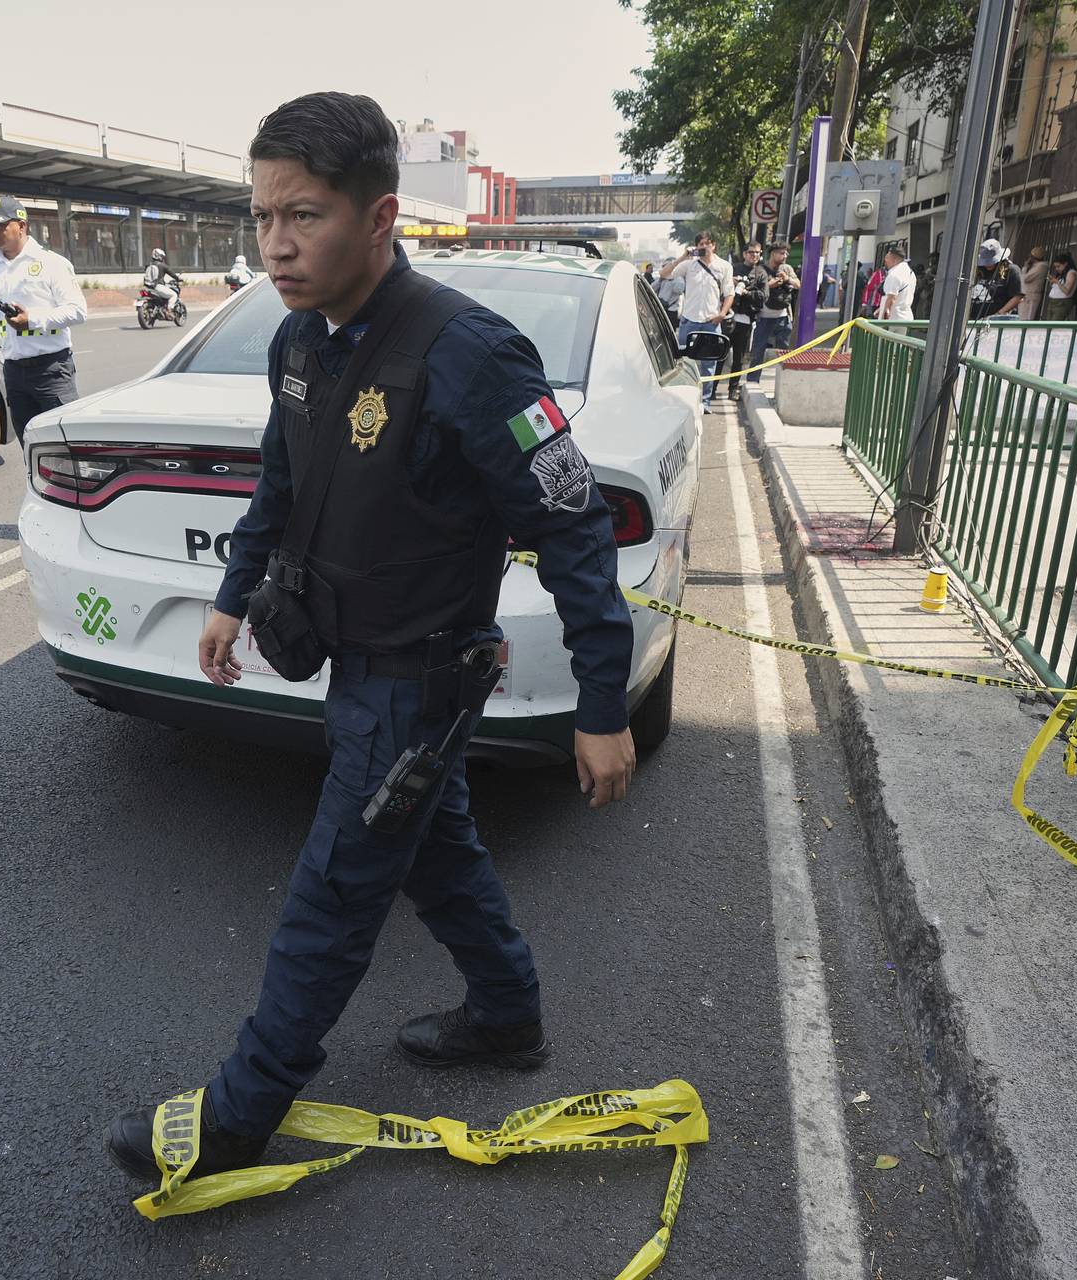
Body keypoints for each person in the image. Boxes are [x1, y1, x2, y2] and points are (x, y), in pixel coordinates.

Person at [105, 92, 637, 1185]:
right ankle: (505, 1013)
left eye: (302, 216)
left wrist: (599, 706)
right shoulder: (300, 340)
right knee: (436, 852)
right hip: (350, 662)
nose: (276, 245)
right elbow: (282, 481)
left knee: (332, 895)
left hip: (418, 681)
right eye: (260, 217)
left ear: (382, 213)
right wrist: (230, 592)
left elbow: (573, 525)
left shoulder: (473, 355)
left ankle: (241, 1111)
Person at [0, 194, 86, 445]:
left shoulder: (51, 263)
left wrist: (31, 320)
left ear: (21, 226)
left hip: (51, 371)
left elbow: (78, 311)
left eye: (1, 226)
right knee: (31, 448)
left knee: (65, 447)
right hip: (13, 371)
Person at [660, 232, 734, 411]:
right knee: (683, 363)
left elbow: (729, 292)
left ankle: (705, 402)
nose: (704, 247)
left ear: (713, 245)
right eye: (701, 244)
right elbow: (664, 274)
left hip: (711, 321)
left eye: (707, 244)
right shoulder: (689, 265)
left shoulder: (723, 266)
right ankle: (684, 399)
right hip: (689, 321)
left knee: (709, 364)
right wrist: (683, 257)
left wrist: (722, 314)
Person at [747, 241, 799, 385]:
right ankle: (752, 381)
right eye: (782, 253)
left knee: (785, 353)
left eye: (786, 253)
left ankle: (785, 382)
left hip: (783, 318)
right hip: (764, 318)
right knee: (758, 352)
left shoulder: (787, 268)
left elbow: (799, 284)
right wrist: (772, 284)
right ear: (773, 254)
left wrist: (787, 279)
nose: (785, 256)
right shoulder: (760, 269)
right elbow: (754, 288)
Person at [721, 242, 768, 400]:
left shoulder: (761, 273)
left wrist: (747, 292)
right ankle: (710, 389)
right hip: (727, 317)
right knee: (720, 354)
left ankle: (733, 389)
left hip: (746, 320)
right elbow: (721, 289)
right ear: (744, 254)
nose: (754, 255)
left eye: (757, 253)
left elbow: (763, 296)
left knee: (738, 359)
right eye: (751, 252)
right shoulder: (732, 269)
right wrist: (732, 283)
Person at [972, 239, 1024, 319]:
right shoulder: (978, 269)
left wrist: (999, 314)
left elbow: (1018, 296)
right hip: (973, 317)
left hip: (997, 320)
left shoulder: (1011, 270)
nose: (988, 264)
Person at [878, 244, 916, 324]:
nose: (885, 261)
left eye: (887, 258)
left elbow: (891, 298)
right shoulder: (911, 273)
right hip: (906, 317)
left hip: (893, 319)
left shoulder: (894, 274)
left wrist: (884, 319)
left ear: (894, 259)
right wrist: (880, 309)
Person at [1043, 251, 1077, 320]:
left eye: (1058, 266)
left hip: (1062, 303)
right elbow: (1059, 288)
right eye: (1055, 267)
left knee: (1054, 326)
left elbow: (1067, 291)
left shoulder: (1071, 273)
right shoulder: (1062, 273)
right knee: (1048, 325)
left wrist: (1057, 282)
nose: (1057, 269)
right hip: (1053, 302)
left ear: (1065, 264)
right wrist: (1053, 282)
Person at [1019, 246, 1048, 320]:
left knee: (1028, 318)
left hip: (1032, 295)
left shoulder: (1041, 266)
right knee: (1021, 316)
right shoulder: (1033, 266)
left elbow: (1026, 278)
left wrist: (1025, 267)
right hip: (1025, 294)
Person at [654, 260, 681, 329]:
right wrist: (661, 280)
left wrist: (671, 279)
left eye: (667, 268)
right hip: (660, 308)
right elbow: (652, 288)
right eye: (664, 267)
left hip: (671, 309)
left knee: (671, 330)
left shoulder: (678, 279)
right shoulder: (661, 279)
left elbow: (678, 290)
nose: (665, 269)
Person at [913, 253, 937, 320]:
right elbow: (923, 283)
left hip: (935, 294)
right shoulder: (929, 271)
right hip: (928, 293)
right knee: (926, 310)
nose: (931, 261)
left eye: (933, 260)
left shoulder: (938, 269)